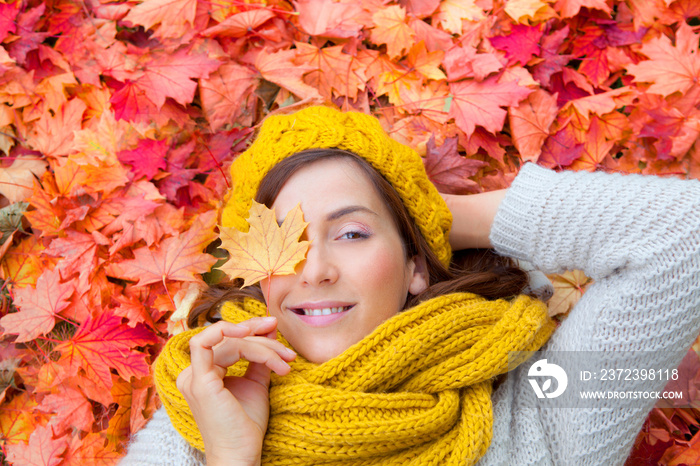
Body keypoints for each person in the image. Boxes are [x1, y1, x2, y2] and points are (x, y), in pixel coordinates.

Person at [120, 106, 700, 466]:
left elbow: (684, 237)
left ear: (415, 267)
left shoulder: (542, 402)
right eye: (282, 241)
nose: (314, 269)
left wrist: (442, 218)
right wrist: (231, 457)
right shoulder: (200, 418)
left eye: (350, 234)